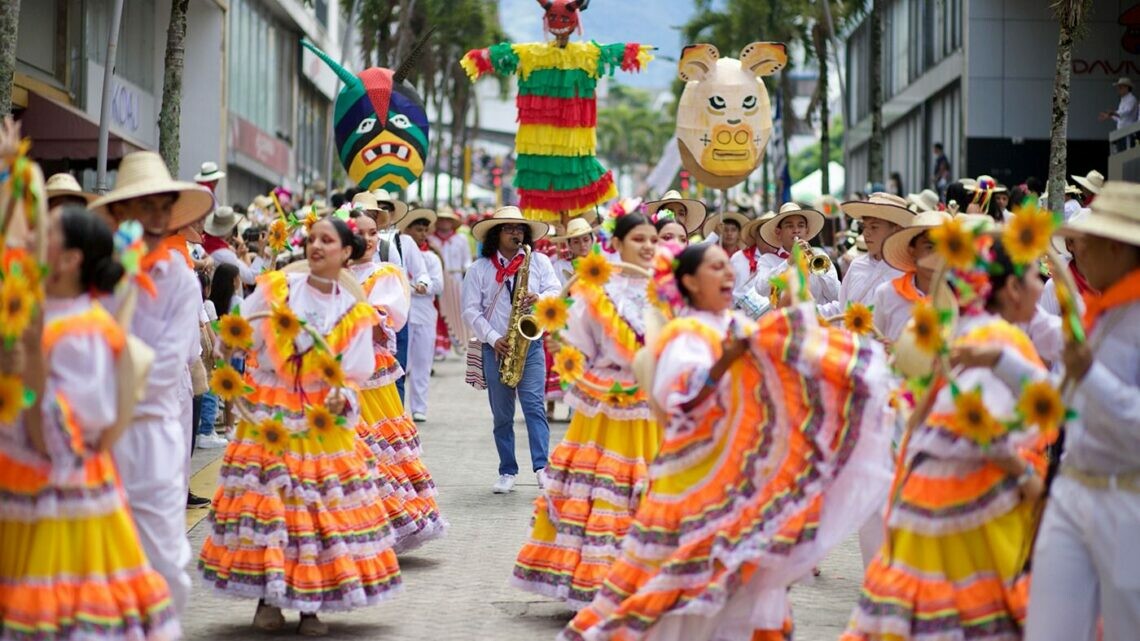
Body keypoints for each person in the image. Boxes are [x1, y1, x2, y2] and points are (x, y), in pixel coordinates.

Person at [562, 243, 893, 641]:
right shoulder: (685, 335)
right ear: (688, 281)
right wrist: (726, 362)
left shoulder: (734, 326)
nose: (727, 275)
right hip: (698, 483)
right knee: (689, 593)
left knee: (740, 589)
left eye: (726, 267)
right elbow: (681, 400)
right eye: (715, 268)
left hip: (735, 479)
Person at [954, 181, 1140, 641]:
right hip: (1073, 491)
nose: (1076, 250)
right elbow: (1061, 395)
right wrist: (1001, 360)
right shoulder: (1102, 311)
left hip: (1129, 503)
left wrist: (1089, 373)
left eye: (1086, 243)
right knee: (1048, 630)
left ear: (1118, 250)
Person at [198, 217, 403, 634]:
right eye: (312, 239)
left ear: (346, 252)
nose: (316, 246)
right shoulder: (278, 289)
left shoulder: (353, 310)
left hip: (322, 417)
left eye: (327, 241)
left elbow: (357, 369)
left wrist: (339, 392)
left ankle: (311, 605)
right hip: (273, 409)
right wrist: (229, 350)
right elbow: (240, 334)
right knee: (273, 502)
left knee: (316, 506)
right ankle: (267, 600)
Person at [844, 237, 1055, 641]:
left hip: (944, 499)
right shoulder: (995, 336)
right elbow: (966, 422)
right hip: (974, 504)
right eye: (1033, 275)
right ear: (1010, 288)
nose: (1040, 285)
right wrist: (1023, 475)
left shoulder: (969, 331)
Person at [0, 206, 180, 640]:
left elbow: (61, 443)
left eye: (46, 232)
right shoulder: (40, 312)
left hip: (60, 505)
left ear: (69, 259)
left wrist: (31, 370)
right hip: (22, 490)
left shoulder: (83, 331)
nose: (32, 239)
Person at [512, 211, 662, 607]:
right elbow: (576, 346)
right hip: (609, 406)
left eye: (653, 239)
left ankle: (651, 585)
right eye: (639, 240)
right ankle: (600, 582)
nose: (647, 247)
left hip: (655, 403)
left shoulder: (666, 290)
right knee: (604, 492)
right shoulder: (596, 290)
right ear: (618, 244)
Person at [90, 150, 214, 616]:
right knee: (100, 552)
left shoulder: (179, 277)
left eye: (164, 207)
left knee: (161, 554)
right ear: (120, 212)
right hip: (96, 434)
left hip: (151, 429)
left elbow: (167, 365)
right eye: (147, 207)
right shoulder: (97, 274)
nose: (158, 218)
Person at [346, 209, 447, 551]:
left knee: (376, 447)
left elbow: (383, 322)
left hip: (371, 373)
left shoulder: (386, 273)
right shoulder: (332, 275)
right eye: (361, 233)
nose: (370, 239)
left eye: (374, 232)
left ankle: (386, 524)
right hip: (334, 372)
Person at [461, 207, 560, 494]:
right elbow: (470, 310)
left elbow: (556, 290)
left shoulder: (538, 261)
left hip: (531, 345)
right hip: (497, 349)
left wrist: (538, 297)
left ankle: (542, 467)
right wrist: (493, 338)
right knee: (502, 414)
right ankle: (507, 470)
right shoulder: (479, 269)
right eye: (508, 228)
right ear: (496, 234)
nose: (516, 233)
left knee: (534, 407)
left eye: (519, 228)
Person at [366, 190, 430, 401]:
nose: (380, 213)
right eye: (376, 208)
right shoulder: (347, 242)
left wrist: (420, 283)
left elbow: (416, 274)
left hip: (393, 320)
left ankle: (397, 423)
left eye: (385, 208)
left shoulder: (400, 243)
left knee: (396, 374)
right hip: (359, 320)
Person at [819, 192, 915, 318]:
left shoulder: (906, 273)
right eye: (864, 226)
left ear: (895, 229)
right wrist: (810, 312)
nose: (866, 233)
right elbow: (843, 308)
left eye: (874, 227)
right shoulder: (857, 265)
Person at [871, 210, 952, 341]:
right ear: (912, 251)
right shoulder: (887, 293)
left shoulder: (961, 298)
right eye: (930, 247)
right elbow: (872, 344)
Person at [401, 208, 444, 423]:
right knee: (399, 364)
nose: (422, 234)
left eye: (425, 230)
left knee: (422, 363)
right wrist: (410, 288)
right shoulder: (398, 252)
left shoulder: (431, 258)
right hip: (403, 314)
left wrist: (422, 288)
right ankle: (397, 407)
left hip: (425, 314)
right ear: (406, 230)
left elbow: (438, 285)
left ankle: (419, 407)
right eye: (418, 230)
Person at [752, 202, 840, 306]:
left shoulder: (820, 255)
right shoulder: (767, 260)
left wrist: (819, 270)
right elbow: (761, 289)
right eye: (789, 226)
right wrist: (788, 262)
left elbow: (836, 294)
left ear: (806, 231)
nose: (796, 231)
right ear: (778, 232)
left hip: (816, 319)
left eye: (801, 226)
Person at [429, 204, 473, 354]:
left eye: (447, 220)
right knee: (438, 311)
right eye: (441, 219)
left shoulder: (460, 239)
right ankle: (439, 344)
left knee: (456, 310)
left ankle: (458, 338)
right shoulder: (430, 239)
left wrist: (467, 270)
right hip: (437, 281)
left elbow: (467, 260)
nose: (444, 222)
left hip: (455, 281)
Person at [202, 206, 266, 286]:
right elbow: (251, 278)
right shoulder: (224, 254)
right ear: (229, 230)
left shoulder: (205, 242)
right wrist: (261, 250)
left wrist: (236, 256)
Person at [729, 211, 780, 301]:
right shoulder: (738, 258)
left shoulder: (785, 259)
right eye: (764, 234)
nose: (768, 239)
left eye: (773, 234)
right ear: (756, 236)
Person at [551, 217, 596, 286]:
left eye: (586, 240)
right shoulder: (559, 266)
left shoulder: (601, 265)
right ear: (569, 245)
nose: (582, 244)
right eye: (576, 242)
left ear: (592, 241)